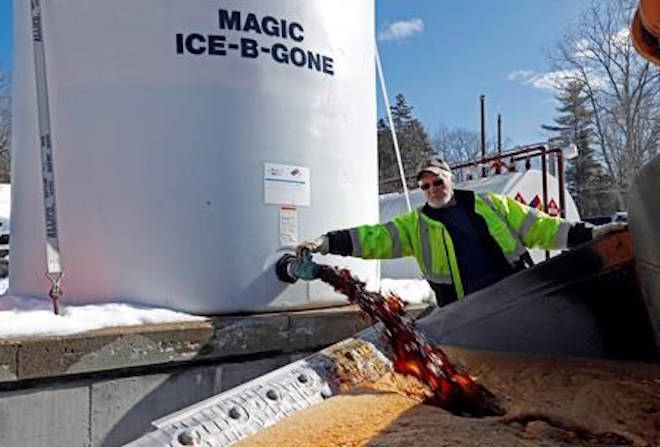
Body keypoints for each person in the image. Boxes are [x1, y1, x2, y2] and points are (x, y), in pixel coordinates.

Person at [296, 158, 627, 307]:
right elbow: (373, 238)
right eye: (425, 186)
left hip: (515, 299)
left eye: (437, 181)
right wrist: (327, 241)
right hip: (464, 313)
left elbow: (544, 228)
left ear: (450, 179)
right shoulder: (415, 224)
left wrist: (594, 235)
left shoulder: (492, 206)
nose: (432, 189)